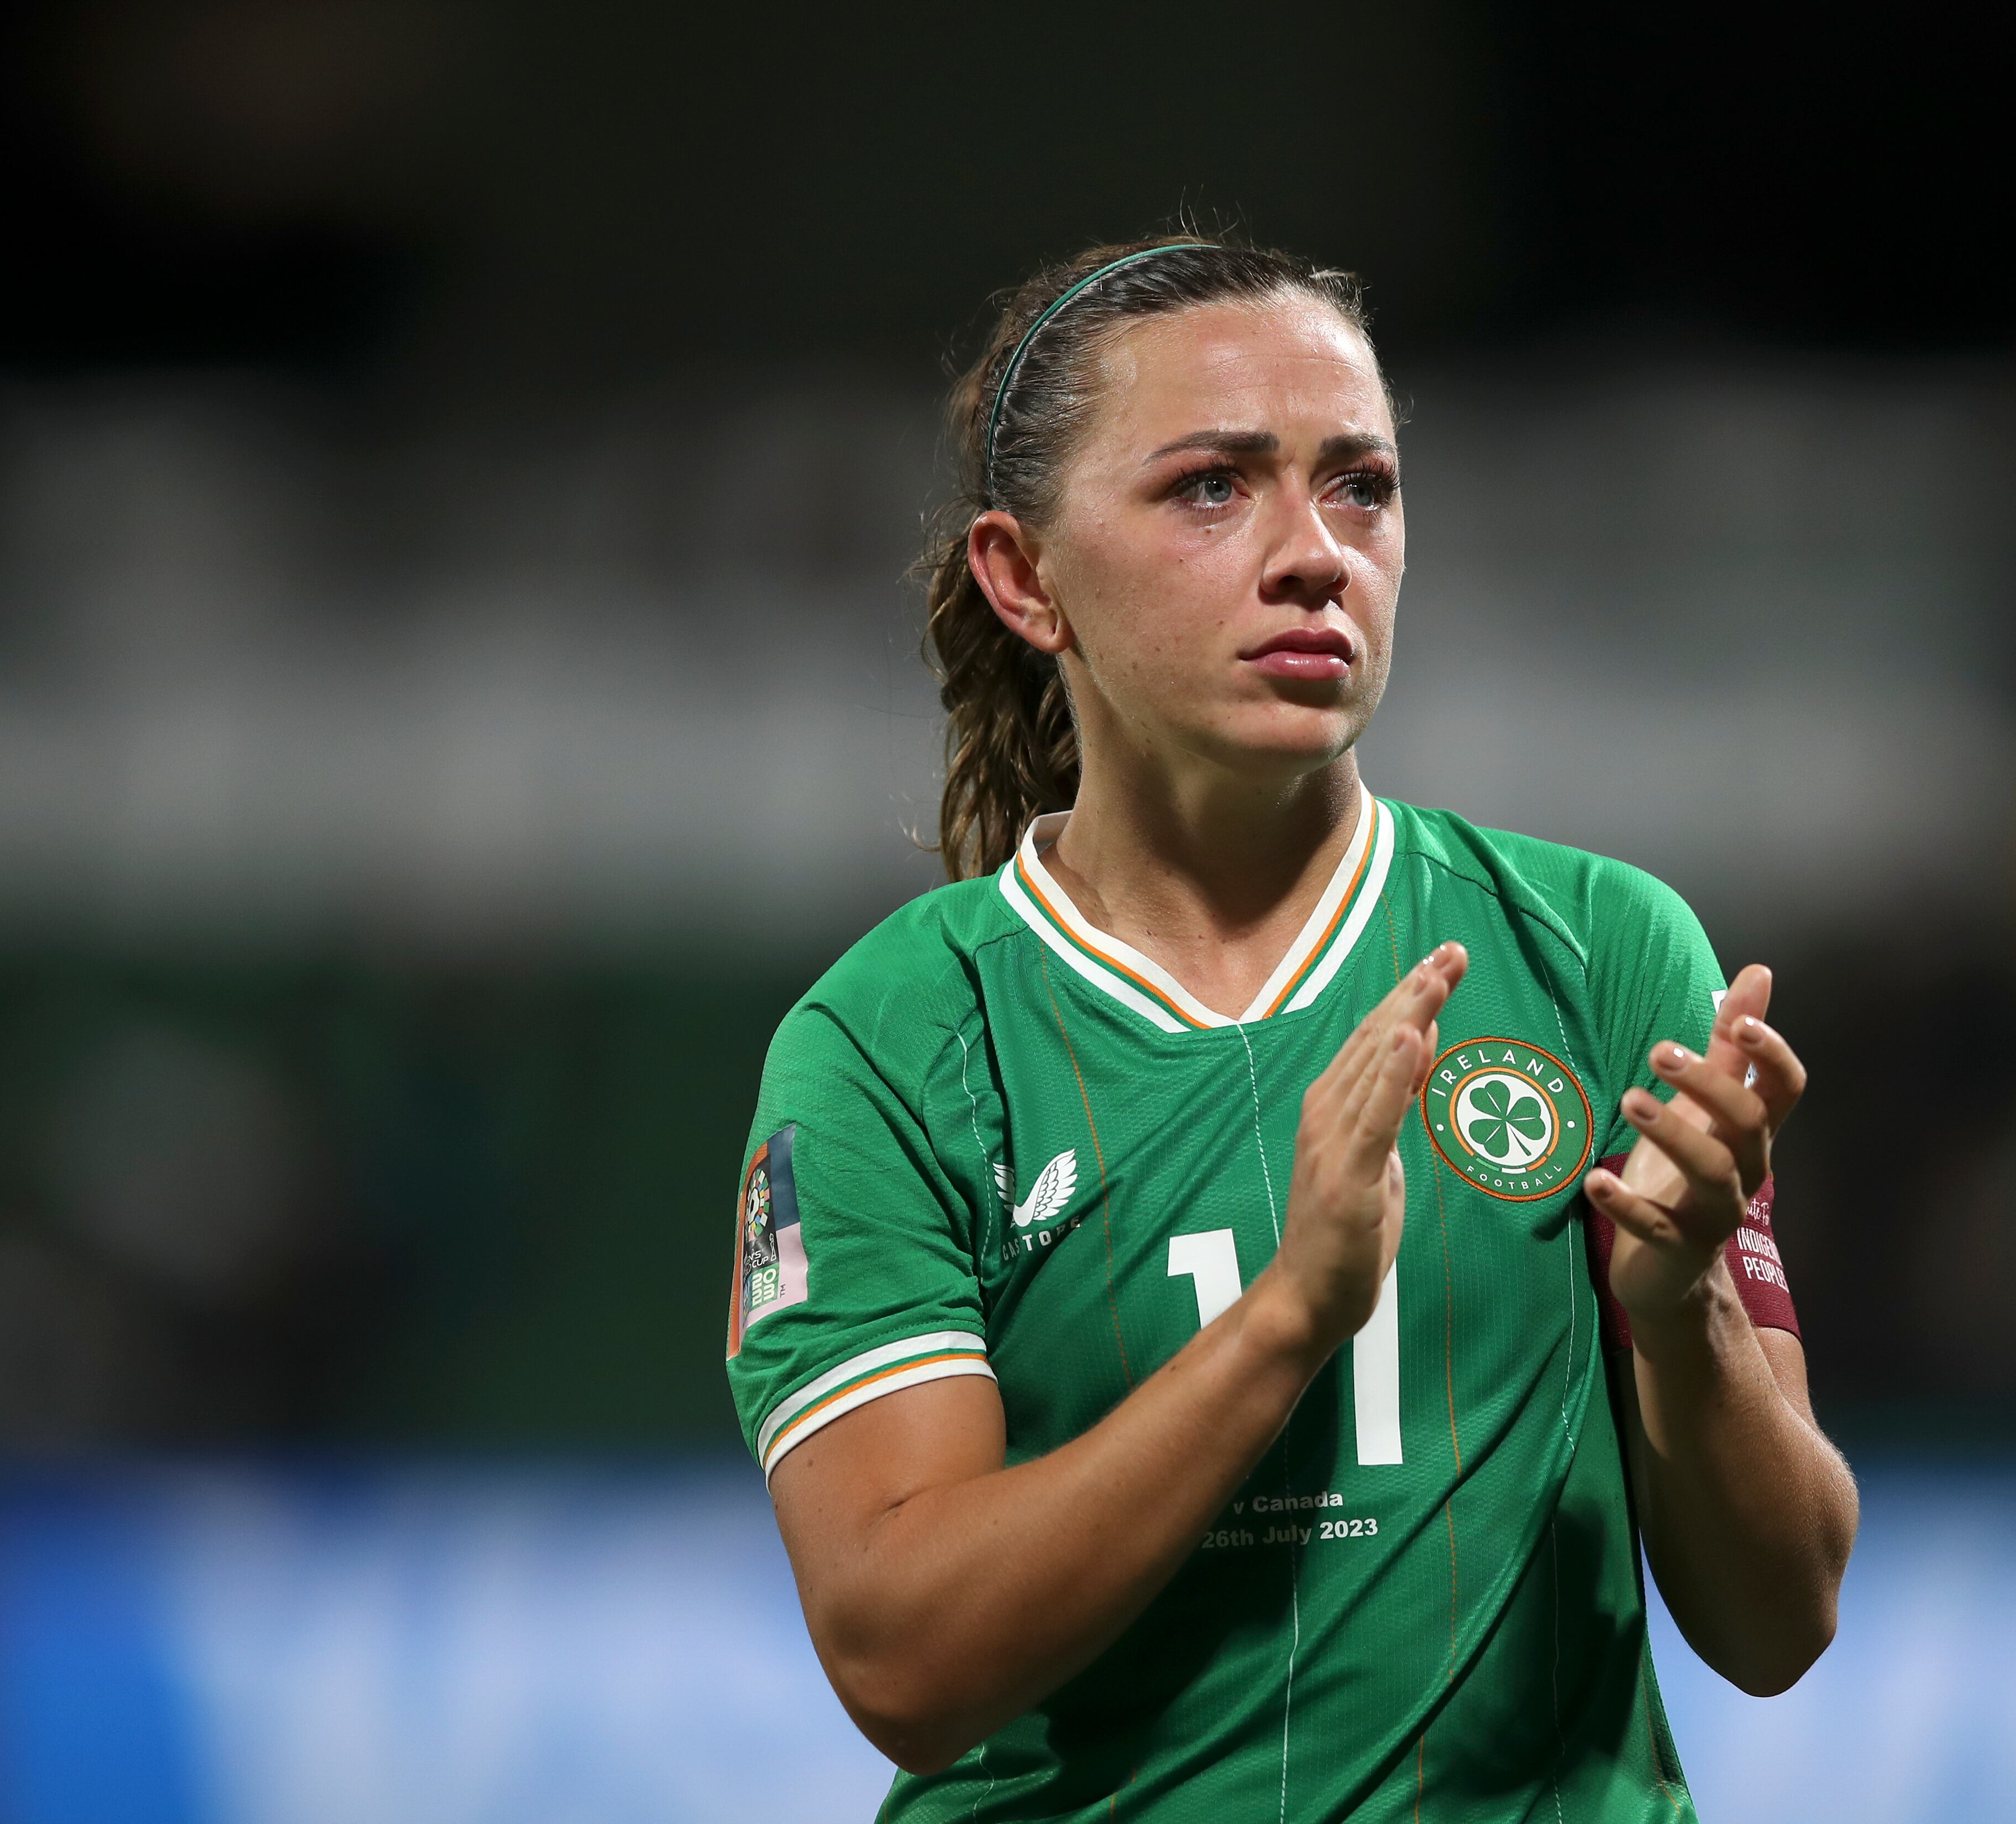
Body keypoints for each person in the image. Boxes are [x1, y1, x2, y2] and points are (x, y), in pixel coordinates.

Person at [724, 234, 1858, 1822]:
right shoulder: (887, 1046)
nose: (1316, 551)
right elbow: (904, 1664)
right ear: (1024, 576)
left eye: (1362, 487)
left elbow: (1782, 1618)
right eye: (1212, 487)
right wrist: (1286, 1321)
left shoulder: (1601, 952)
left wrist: (1682, 1317)